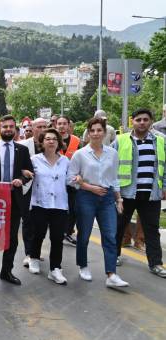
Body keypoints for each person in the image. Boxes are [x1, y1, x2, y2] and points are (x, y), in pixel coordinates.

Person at [68, 118, 129, 287]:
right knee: (84, 235)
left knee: (110, 235)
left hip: (108, 197)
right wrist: (87, 186)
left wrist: (119, 198)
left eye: (99, 130)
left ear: (104, 132)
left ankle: (111, 275)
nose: (95, 133)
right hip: (86, 197)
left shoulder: (112, 153)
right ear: (88, 133)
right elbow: (70, 179)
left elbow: (114, 178)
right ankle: (83, 265)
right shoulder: (80, 154)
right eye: (92, 130)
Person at [113, 109, 166, 278]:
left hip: (151, 194)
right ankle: (113, 256)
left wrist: (164, 187)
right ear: (132, 122)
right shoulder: (120, 140)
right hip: (126, 194)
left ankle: (156, 263)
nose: (141, 122)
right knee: (119, 226)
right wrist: (114, 191)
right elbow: (110, 165)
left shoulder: (161, 141)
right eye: (138, 119)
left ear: (151, 122)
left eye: (145, 119)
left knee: (152, 230)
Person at [0, 115, 33, 285]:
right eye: (5, 127)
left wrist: (22, 179)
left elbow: (29, 172)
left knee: (11, 237)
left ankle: (6, 271)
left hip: (14, 199)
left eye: (11, 126)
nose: (8, 129)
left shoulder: (23, 150)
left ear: (15, 129)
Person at [27, 129, 69, 284]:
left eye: (54, 139)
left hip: (60, 205)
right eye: (48, 139)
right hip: (40, 203)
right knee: (38, 234)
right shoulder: (34, 160)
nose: (51, 141)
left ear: (59, 142)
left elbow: (70, 180)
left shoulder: (65, 161)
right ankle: (34, 258)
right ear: (42, 143)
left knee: (57, 238)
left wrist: (78, 178)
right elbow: (26, 177)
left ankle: (55, 269)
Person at [56, 115, 80, 247]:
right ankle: (59, 232)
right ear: (55, 125)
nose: (61, 126)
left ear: (69, 125)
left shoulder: (77, 141)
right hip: (56, 180)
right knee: (59, 209)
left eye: (64, 123)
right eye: (59, 123)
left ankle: (68, 232)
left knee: (73, 208)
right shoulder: (51, 140)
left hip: (72, 180)